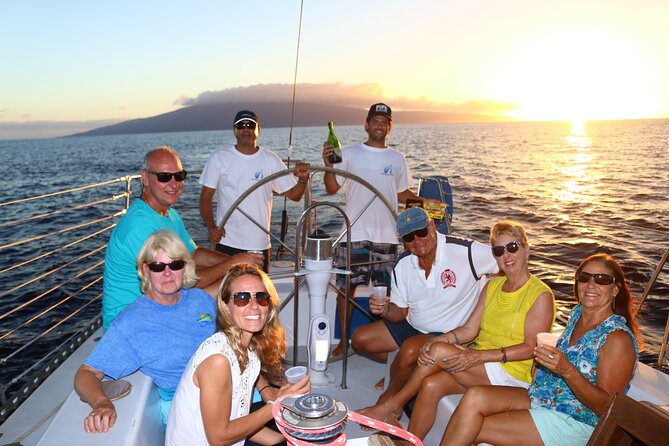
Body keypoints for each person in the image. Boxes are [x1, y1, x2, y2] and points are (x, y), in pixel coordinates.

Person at [360, 221, 556, 440]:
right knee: (431, 383)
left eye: (512, 247)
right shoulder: (493, 286)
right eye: (499, 251)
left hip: (511, 372)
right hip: (484, 365)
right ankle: (410, 442)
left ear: (526, 249)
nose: (506, 255)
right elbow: (470, 329)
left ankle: (393, 405)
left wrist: (475, 356)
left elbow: (530, 349)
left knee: (437, 353)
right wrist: (442, 340)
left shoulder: (540, 295)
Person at [442, 253, 641, 446]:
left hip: (575, 420)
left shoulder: (617, 339)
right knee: (474, 396)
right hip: (543, 397)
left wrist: (567, 370)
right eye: (584, 277)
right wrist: (541, 365)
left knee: (473, 428)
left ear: (615, 289)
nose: (591, 285)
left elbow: (606, 408)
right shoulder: (577, 316)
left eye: (601, 279)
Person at [353, 208, 499, 408]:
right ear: (403, 240)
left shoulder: (466, 251)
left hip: (451, 332)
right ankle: (405, 370)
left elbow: (505, 263)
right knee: (360, 340)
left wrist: (490, 298)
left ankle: (388, 401)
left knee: (410, 348)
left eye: (421, 232)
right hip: (414, 324)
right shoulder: (403, 264)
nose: (417, 240)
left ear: (432, 226)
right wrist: (385, 310)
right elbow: (400, 313)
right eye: (409, 236)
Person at [102, 146, 260, 330]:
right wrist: (231, 265)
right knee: (233, 284)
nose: (174, 183)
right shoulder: (139, 226)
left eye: (179, 176)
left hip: (161, 302)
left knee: (238, 279)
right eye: (164, 177)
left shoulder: (170, 215)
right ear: (145, 178)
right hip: (132, 322)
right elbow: (178, 280)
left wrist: (239, 262)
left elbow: (195, 254)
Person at [75, 230, 217, 433]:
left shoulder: (199, 299)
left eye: (175, 265)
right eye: (158, 266)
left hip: (232, 392)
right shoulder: (132, 321)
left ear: (185, 267)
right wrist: (101, 404)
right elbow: (86, 373)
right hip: (191, 410)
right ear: (145, 270)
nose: (167, 273)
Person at [166, 263, 311, 445]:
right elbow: (218, 437)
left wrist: (285, 440)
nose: (254, 306)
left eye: (261, 297)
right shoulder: (218, 360)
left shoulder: (249, 352)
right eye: (242, 298)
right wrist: (276, 404)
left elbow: (238, 420)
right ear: (226, 306)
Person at [321, 103, 423, 357]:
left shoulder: (397, 159)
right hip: (353, 234)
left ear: (390, 126)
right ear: (366, 125)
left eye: (384, 121)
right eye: (375, 120)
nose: (379, 125)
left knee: (385, 296)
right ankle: (343, 341)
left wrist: (428, 206)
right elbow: (333, 188)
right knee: (345, 291)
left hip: (387, 237)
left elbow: (402, 194)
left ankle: (380, 346)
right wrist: (327, 165)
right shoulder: (350, 154)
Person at [199, 110, 311, 272]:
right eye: (241, 125)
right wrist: (211, 228)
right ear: (234, 130)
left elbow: (294, 195)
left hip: (258, 243)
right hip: (226, 241)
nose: (246, 129)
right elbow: (205, 199)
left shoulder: (271, 160)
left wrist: (302, 179)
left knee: (259, 293)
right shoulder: (219, 158)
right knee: (226, 291)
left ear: (258, 129)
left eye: (251, 125)